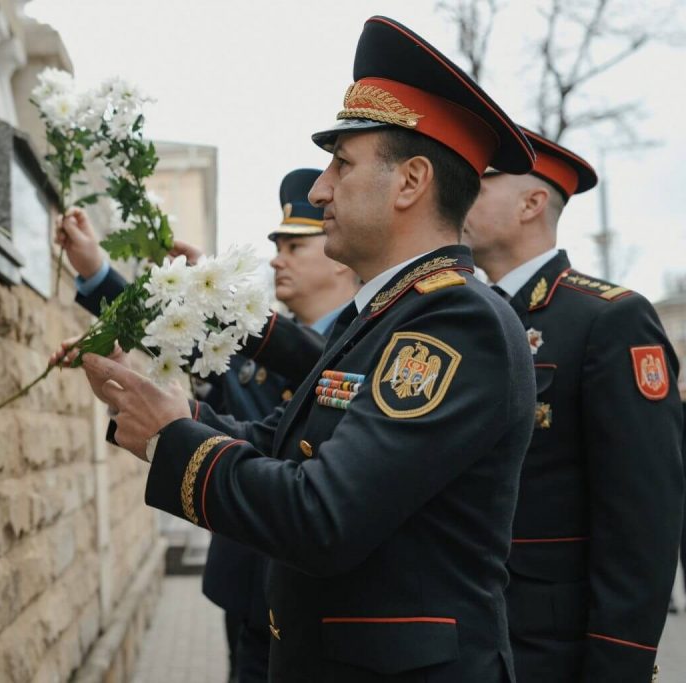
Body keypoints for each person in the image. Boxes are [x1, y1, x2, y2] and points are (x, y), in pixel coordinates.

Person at [67, 16, 538, 681]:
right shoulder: (391, 312)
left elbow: (323, 515)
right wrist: (168, 418)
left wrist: (173, 439)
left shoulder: (456, 320)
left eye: (342, 163)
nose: (320, 190)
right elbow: (281, 440)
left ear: (411, 182)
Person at [56, 169, 360, 683]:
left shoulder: (353, 347)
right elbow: (168, 335)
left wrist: (213, 295)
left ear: (336, 260)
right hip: (245, 581)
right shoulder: (251, 351)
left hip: (315, 596)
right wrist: (96, 273)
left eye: (295, 245)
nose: (276, 258)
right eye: (276, 244)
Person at [462, 128, 684, 682]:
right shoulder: (468, 317)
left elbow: (643, 516)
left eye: (480, 185)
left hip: (554, 650)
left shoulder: (607, 319)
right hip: (468, 635)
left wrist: (619, 664)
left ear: (532, 203)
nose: (461, 196)